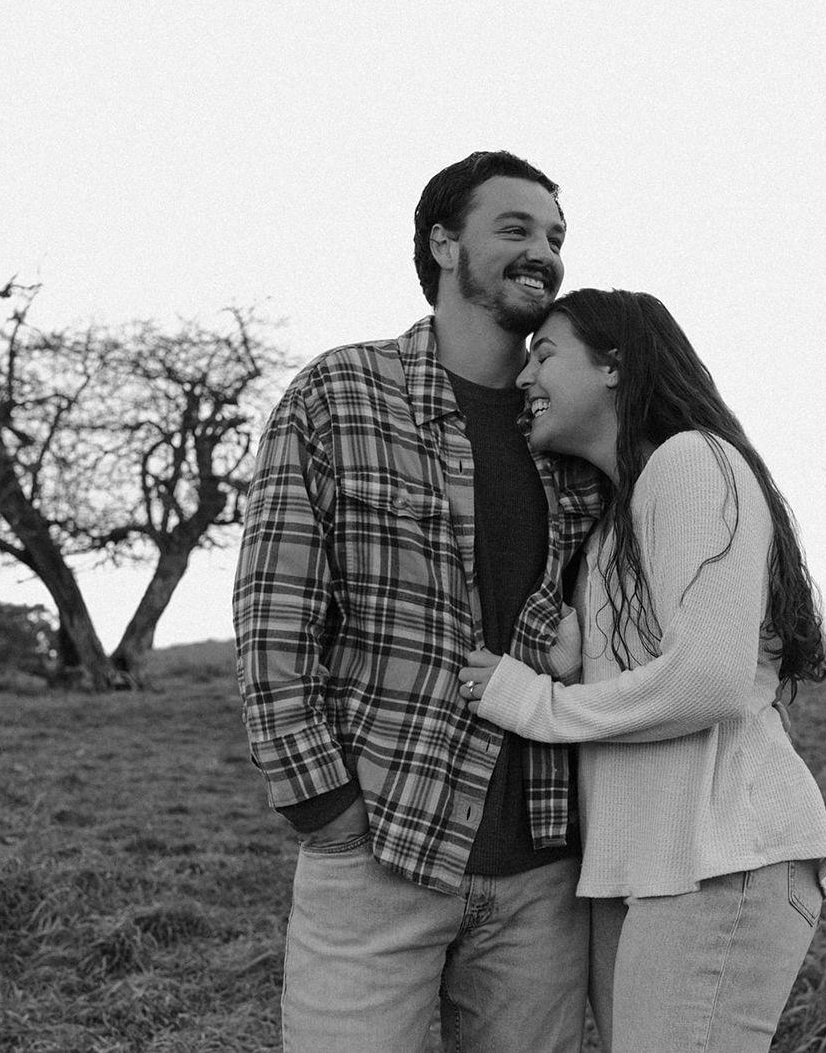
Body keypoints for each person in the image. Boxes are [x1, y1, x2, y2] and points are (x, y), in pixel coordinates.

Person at [233, 151, 603, 1053]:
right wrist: (325, 808)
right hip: (379, 854)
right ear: (442, 244)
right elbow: (275, 620)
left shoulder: (570, 429)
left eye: (555, 237)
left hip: (543, 874)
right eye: (515, 229)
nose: (545, 253)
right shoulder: (341, 394)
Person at [459, 288, 826, 1053]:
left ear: (614, 365)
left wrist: (535, 702)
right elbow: (650, 679)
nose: (525, 377)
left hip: (722, 856)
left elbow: (709, 682)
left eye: (545, 355)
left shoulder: (693, 462)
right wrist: (577, 667)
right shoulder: (616, 524)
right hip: (646, 866)